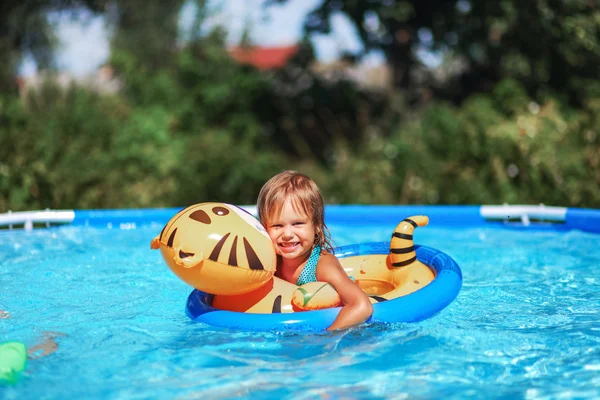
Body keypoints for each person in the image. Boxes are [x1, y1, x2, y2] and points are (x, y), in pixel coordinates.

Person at [257, 170, 373, 330]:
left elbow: (362, 306)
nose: (288, 234)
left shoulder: (321, 265)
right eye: (277, 226)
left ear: (316, 226)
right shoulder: (271, 263)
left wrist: (328, 337)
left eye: (297, 223)